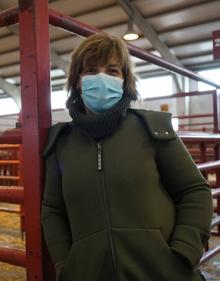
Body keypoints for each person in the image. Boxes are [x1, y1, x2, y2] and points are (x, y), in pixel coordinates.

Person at [41, 33, 213, 281]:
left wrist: (184, 252)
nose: (102, 78)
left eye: (112, 71)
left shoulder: (152, 129)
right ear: (77, 81)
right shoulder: (62, 143)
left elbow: (194, 190)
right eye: (90, 70)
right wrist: (66, 266)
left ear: (124, 80)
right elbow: (53, 210)